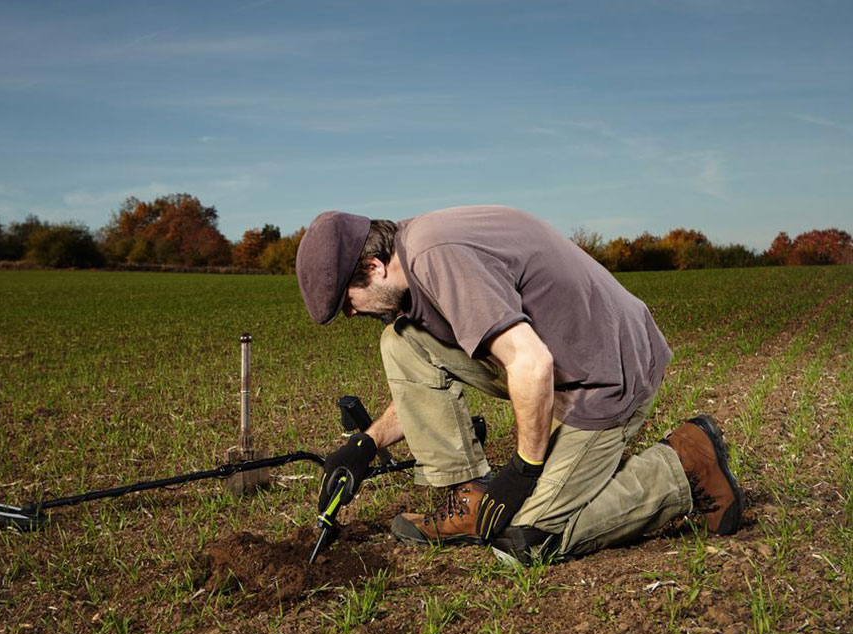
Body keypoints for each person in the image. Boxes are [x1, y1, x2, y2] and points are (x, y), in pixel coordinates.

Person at [295, 205, 744, 564]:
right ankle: (470, 497)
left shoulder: (438, 258)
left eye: (347, 302)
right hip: (558, 361)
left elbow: (532, 363)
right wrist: (367, 444)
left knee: (526, 538)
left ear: (374, 267)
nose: (350, 314)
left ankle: (680, 466)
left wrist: (523, 469)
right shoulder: (415, 251)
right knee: (401, 340)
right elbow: (436, 376)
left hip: (605, 376)